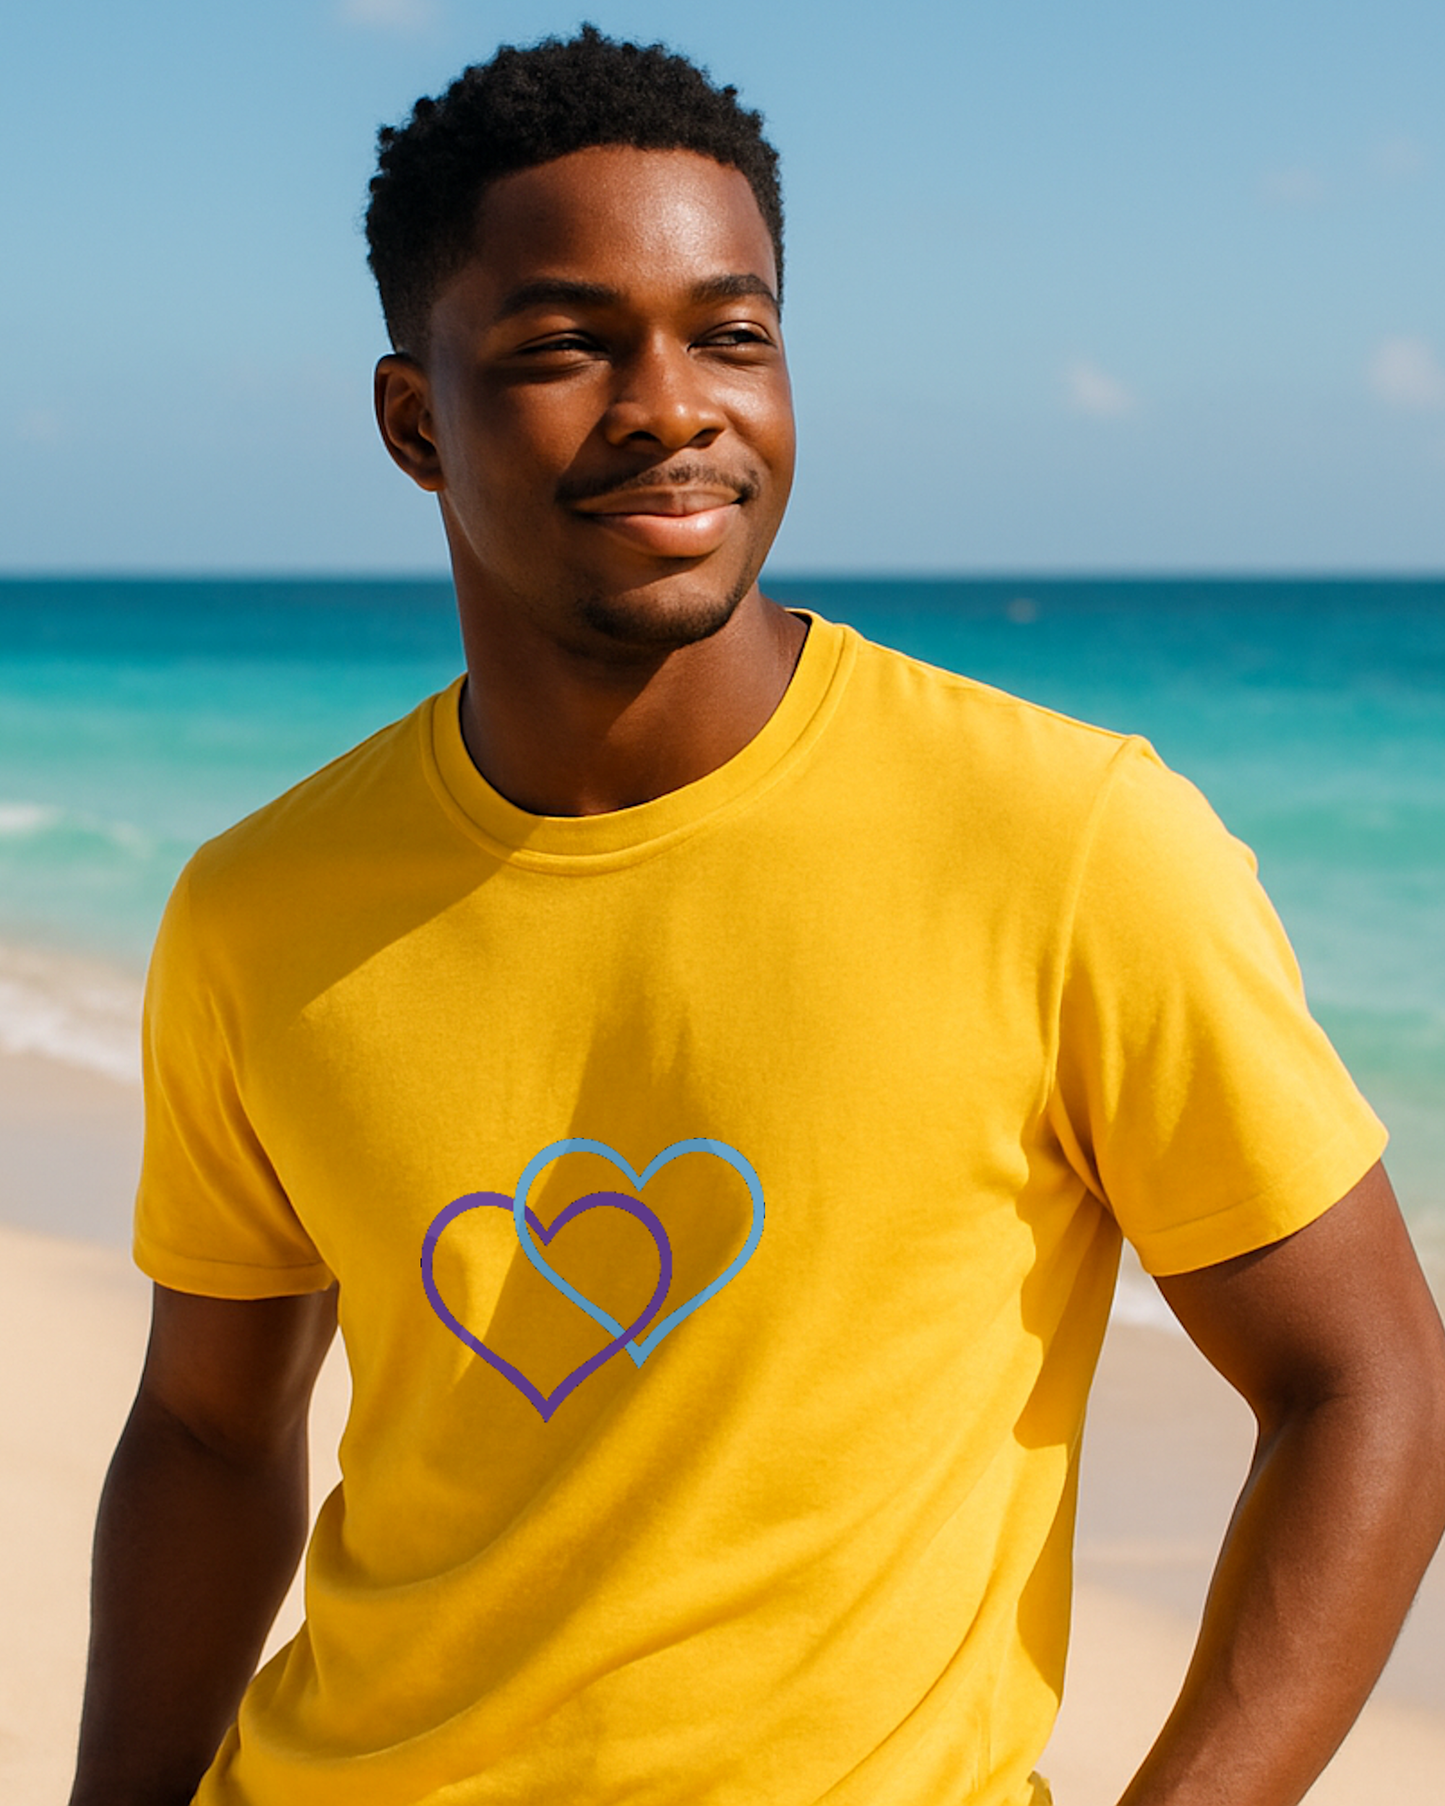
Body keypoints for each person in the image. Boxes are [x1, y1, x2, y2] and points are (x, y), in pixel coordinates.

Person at [69, 25, 1445, 1806]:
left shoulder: (1067, 839)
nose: (673, 405)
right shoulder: (263, 906)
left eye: (732, 332)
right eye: (569, 345)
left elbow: (1370, 1386)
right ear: (418, 419)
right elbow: (202, 1426)